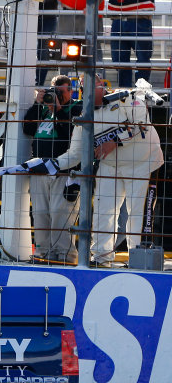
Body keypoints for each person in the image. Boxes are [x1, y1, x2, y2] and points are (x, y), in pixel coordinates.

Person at [54, 74, 164, 266]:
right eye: (84, 87)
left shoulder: (126, 98)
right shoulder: (84, 116)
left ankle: (138, 258)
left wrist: (114, 141)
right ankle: (101, 257)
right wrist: (50, 164)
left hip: (143, 163)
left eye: (93, 84)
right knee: (103, 211)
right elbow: (75, 154)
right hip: (110, 165)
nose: (88, 90)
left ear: (102, 85)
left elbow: (142, 125)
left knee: (137, 213)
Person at [23, 75, 83, 263]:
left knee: (61, 213)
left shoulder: (77, 108)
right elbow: (27, 128)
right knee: (40, 213)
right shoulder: (44, 109)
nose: (56, 95)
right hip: (40, 168)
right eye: (53, 91)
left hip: (63, 170)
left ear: (70, 91)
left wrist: (58, 110)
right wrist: (37, 104)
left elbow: (72, 134)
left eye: (61, 92)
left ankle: (65, 254)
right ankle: (43, 252)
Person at [108, 0, 155, 88]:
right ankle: (126, 95)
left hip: (139, 18)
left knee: (143, 59)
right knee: (119, 60)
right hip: (118, 19)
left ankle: (141, 93)